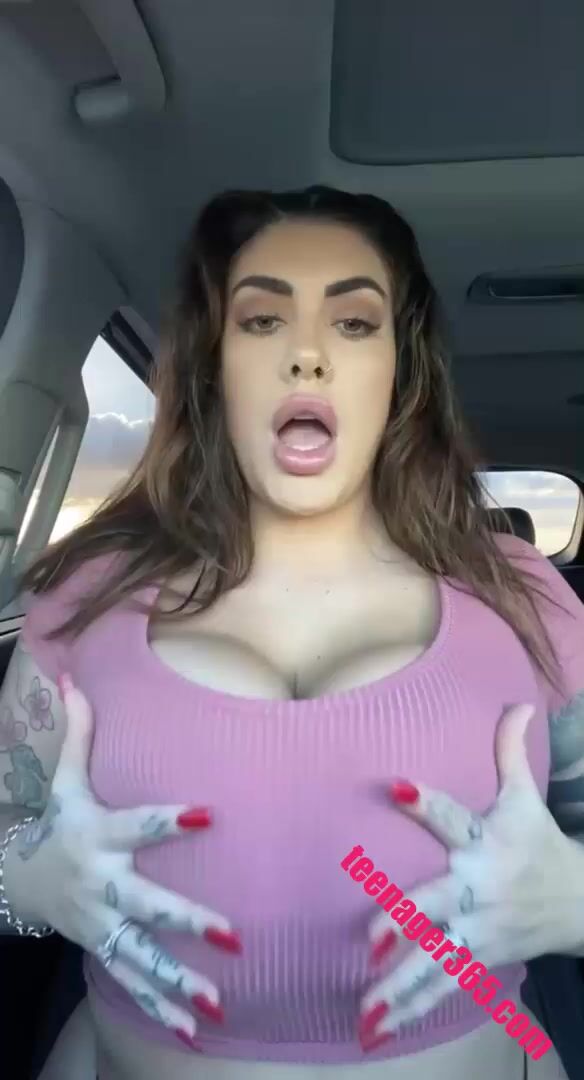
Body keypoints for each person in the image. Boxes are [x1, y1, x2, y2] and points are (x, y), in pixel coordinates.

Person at [0, 185, 582, 1080]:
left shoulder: (525, 599)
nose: (306, 354)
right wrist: (24, 883)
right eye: (263, 320)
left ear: (401, 373)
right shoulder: (84, 597)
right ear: (215, 367)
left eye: (353, 323)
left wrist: (574, 902)